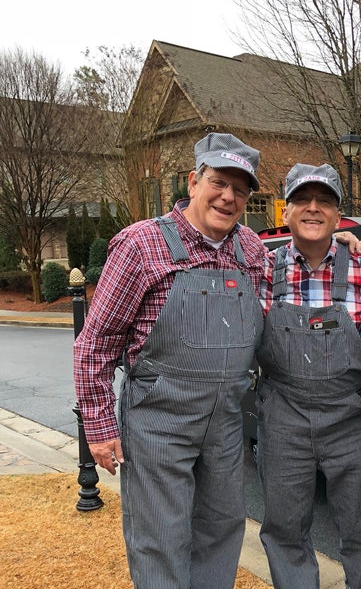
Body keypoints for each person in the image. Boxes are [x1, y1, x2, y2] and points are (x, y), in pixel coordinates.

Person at [73, 133, 266, 589]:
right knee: (160, 539)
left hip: (225, 424)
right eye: (219, 182)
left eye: (240, 190)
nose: (228, 197)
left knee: (221, 531)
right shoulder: (141, 245)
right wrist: (99, 431)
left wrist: (340, 241)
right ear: (194, 180)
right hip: (159, 422)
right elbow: (94, 345)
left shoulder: (252, 251)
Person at [255, 163, 361, 589]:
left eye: (324, 201)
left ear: (338, 215)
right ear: (285, 211)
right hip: (283, 418)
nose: (313, 209)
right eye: (302, 200)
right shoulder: (260, 270)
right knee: (285, 530)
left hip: (352, 419)